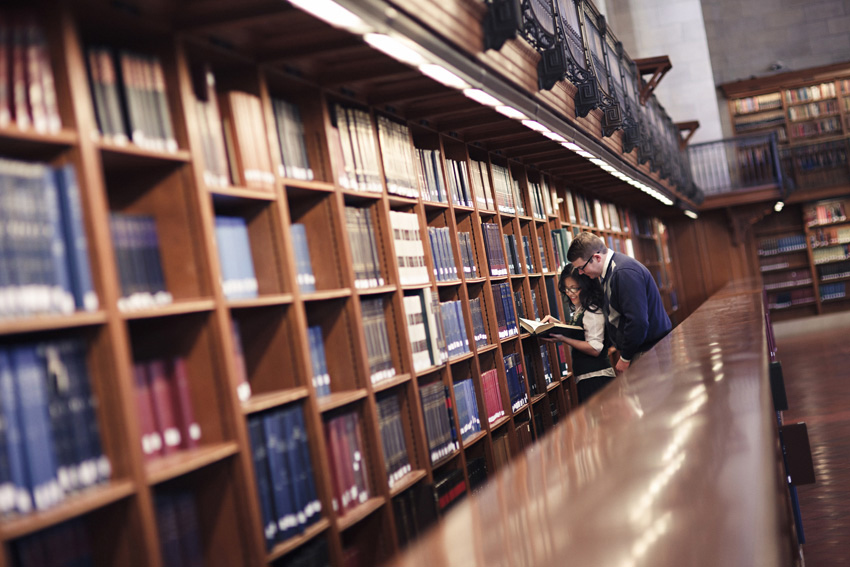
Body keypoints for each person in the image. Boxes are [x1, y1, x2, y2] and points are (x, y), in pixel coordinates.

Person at [567, 231, 671, 372]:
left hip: (647, 351)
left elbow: (638, 321)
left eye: (581, 268)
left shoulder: (623, 272)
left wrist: (625, 358)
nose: (580, 273)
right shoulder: (613, 270)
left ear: (596, 257)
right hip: (645, 349)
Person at [541, 265, 615, 404]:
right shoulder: (580, 309)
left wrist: (563, 338)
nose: (570, 293)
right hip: (587, 378)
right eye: (567, 288)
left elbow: (595, 348)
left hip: (597, 378)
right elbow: (580, 332)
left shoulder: (592, 311)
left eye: (575, 288)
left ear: (586, 286)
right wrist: (556, 324)